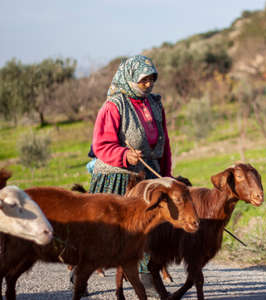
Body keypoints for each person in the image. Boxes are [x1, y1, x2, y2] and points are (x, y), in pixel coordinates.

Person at [88, 54, 172, 297]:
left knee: (149, 229)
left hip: (148, 174)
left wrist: (165, 176)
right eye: (144, 80)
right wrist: (124, 155)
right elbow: (101, 145)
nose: (149, 84)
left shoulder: (155, 103)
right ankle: (80, 273)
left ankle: (147, 277)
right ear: (130, 78)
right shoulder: (113, 105)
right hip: (117, 176)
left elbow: (164, 144)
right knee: (108, 233)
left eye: (152, 79)